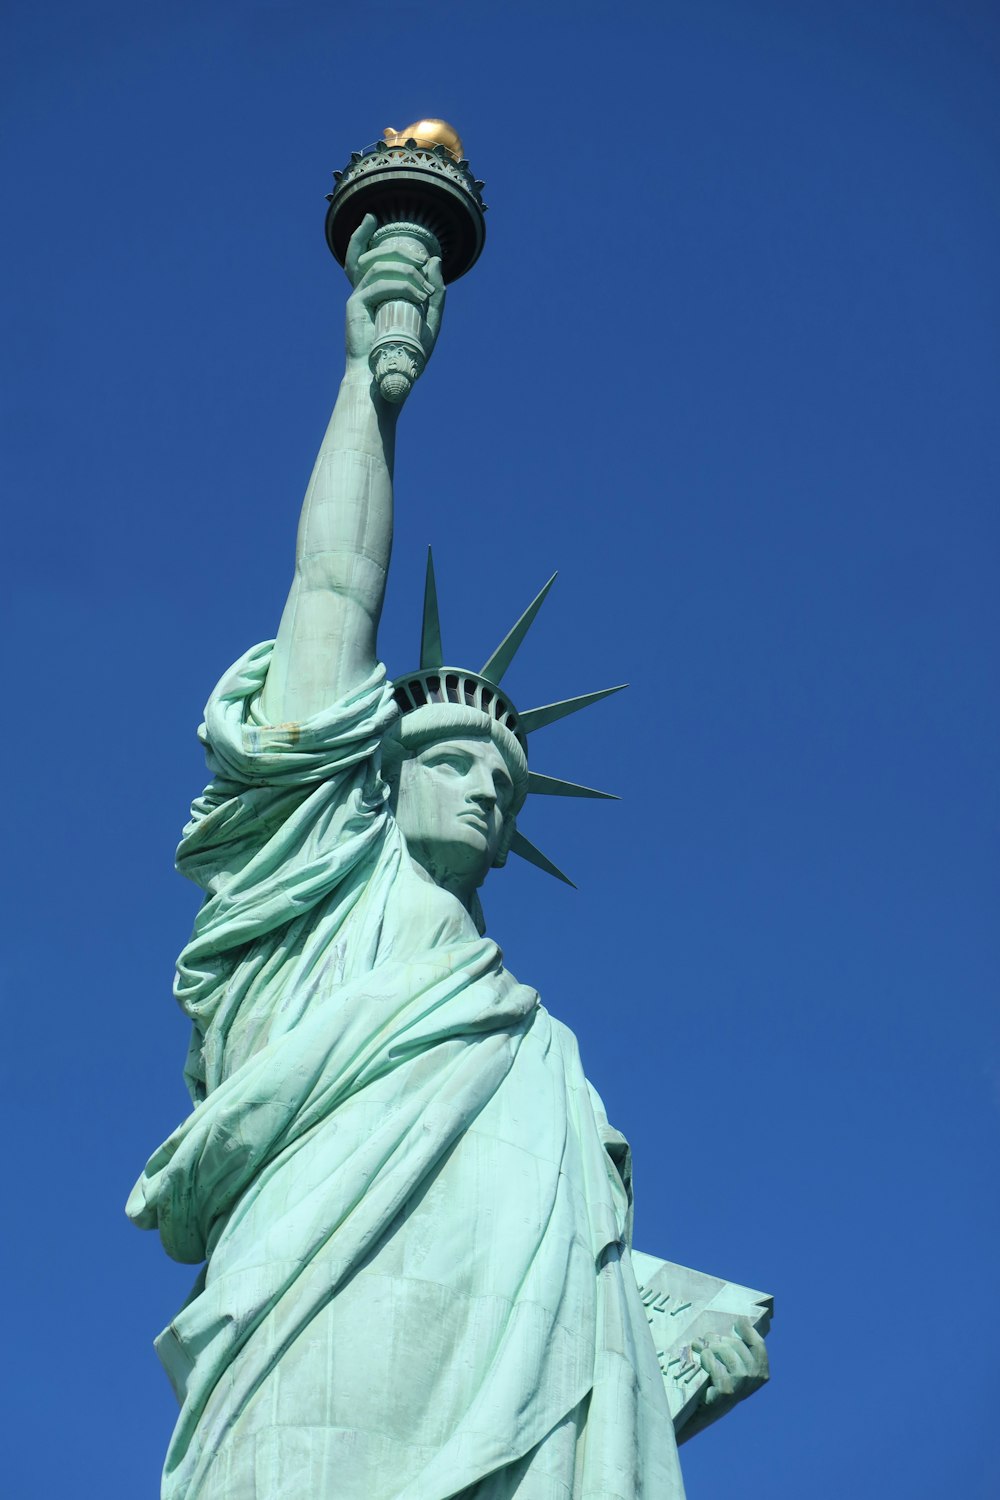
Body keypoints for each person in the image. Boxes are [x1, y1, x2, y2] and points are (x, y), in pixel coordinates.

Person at [129, 215, 767, 1499]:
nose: (485, 785)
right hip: (313, 1336)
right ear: (371, 770)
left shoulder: (530, 1039)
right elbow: (329, 592)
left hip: (515, 1379)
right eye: (455, 761)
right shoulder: (310, 891)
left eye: (506, 779)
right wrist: (375, 371)